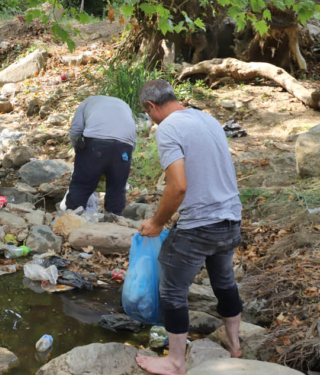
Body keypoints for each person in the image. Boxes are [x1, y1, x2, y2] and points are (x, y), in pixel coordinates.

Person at [135, 79, 243, 375]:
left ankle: (175, 361)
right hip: (231, 218)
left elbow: (179, 186)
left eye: (148, 114)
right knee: (224, 282)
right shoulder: (206, 117)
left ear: (152, 107)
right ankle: (234, 344)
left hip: (200, 225)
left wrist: (157, 222)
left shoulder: (168, 127)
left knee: (172, 290)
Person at [66, 95, 137, 214]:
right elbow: (132, 138)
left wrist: (81, 153)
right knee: (117, 188)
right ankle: (114, 222)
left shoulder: (87, 102)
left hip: (95, 144)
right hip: (124, 147)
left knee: (81, 185)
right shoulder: (124, 105)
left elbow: (75, 130)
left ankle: (72, 220)